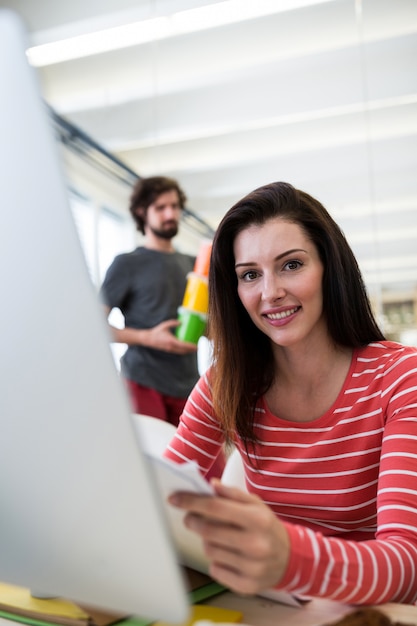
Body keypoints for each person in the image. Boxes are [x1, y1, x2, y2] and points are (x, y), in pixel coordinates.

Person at [164, 181, 417, 605]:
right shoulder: (224, 383)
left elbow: (406, 565)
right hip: (277, 607)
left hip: (372, 612)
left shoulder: (399, 377)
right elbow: (160, 499)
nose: (270, 292)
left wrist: (289, 557)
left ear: (329, 267)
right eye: (250, 275)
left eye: (291, 265)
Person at [100, 175, 199, 426]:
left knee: (205, 466)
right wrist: (147, 337)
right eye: (161, 207)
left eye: (175, 206)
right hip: (143, 384)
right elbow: (95, 327)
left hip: (189, 387)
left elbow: (210, 325)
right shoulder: (127, 264)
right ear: (142, 212)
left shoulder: (194, 265)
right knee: (152, 464)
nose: (170, 214)